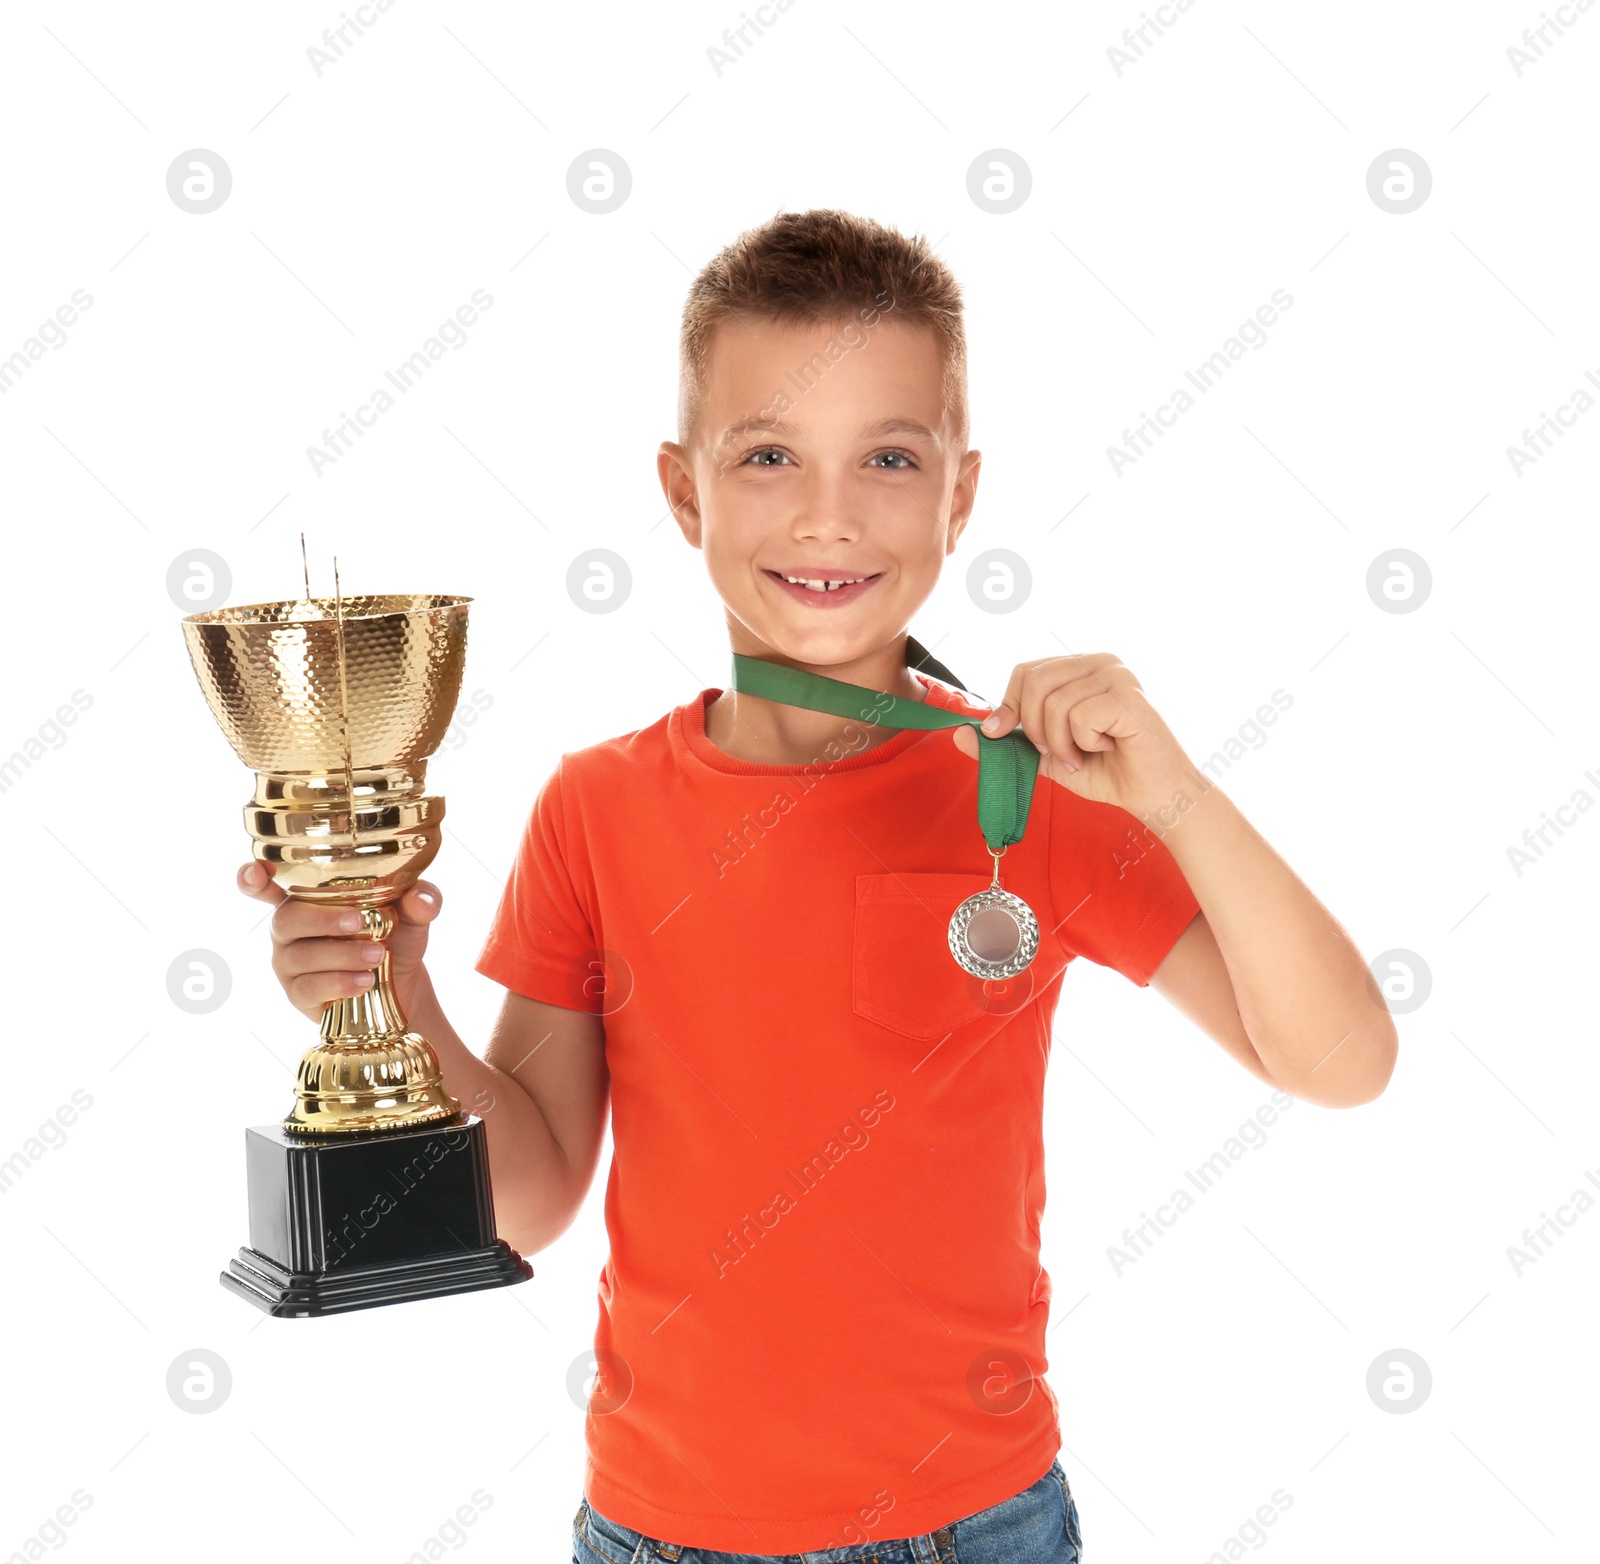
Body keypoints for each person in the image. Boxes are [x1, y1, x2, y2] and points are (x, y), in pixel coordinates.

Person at [238, 208, 1398, 1563]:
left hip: (971, 1528)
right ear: (685, 493)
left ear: (961, 496)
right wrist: (398, 992)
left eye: (890, 458)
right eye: (770, 455)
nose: (829, 514)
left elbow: (1343, 1061)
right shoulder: (595, 810)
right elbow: (537, 1197)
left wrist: (1179, 797)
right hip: (657, 1533)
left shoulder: (1035, 799)